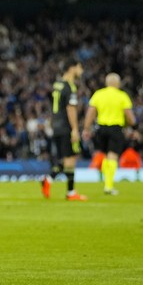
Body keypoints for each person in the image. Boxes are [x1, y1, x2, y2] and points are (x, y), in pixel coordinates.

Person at [83, 73, 136, 195]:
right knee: (112, 157)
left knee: (104, 155)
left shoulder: (98, 94)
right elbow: (130, 117)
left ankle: (106, 180)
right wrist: (130, 125)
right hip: (116, 129)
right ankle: (108, 186)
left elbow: (90, 112)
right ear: (117, 83)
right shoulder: (122, 96)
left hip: (101, 129)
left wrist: (86, 128)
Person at [42, 59, 88, 201]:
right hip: (65, 126)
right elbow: (70, 109)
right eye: (80, 67)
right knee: (70, 159)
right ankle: (69, 191)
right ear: (71, 68)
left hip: (56, 125)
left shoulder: (57, 85)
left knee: (68, 158)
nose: (82, 71)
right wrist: (74, 129)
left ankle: (50, 180)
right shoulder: (69, 87)